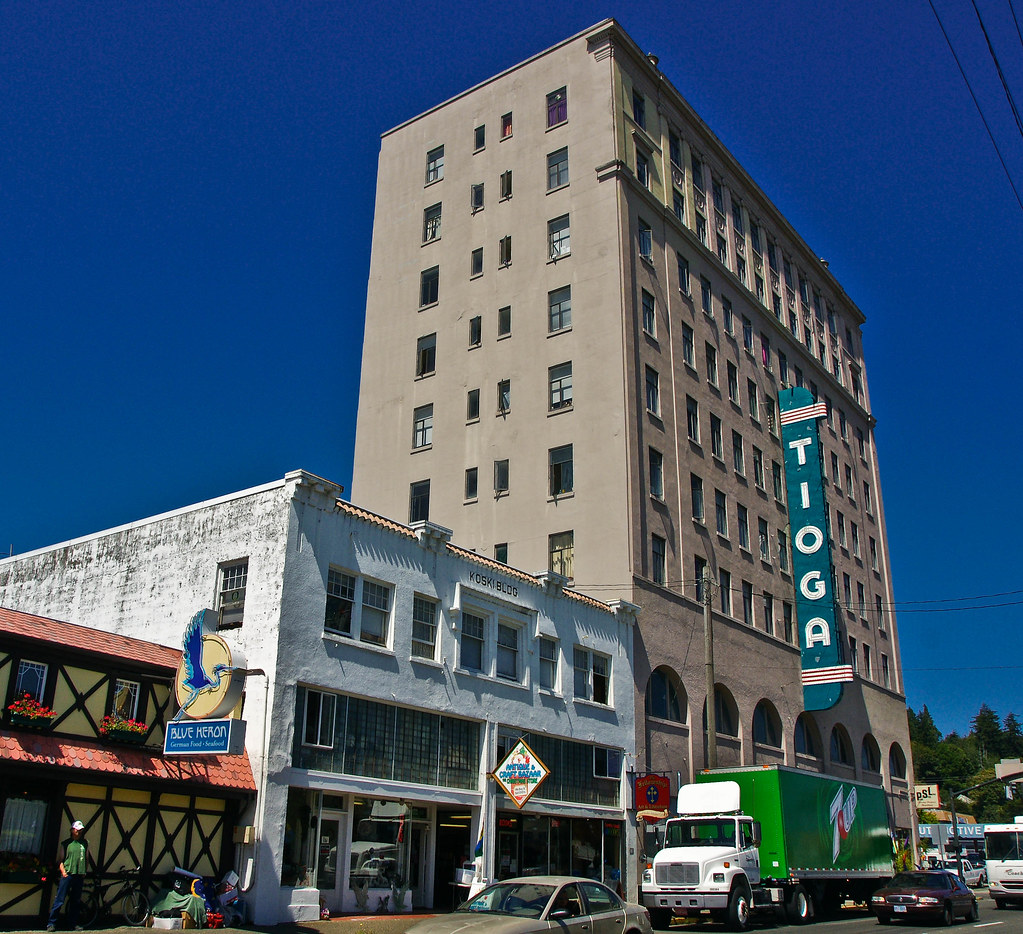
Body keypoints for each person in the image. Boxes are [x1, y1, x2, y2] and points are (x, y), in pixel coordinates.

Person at [47, 820, 88, 931]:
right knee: (60, 899)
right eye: (77, 830)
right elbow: (60, 860)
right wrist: (63, 872)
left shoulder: (84, 843)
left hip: (79, 875)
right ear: (72, 830)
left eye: (81, 830)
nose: (79, 832)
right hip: (68, 874)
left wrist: (85, 870)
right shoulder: (66, 844)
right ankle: (51, 923)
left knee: (75, 901)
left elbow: (86, 858)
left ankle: (72, 923)